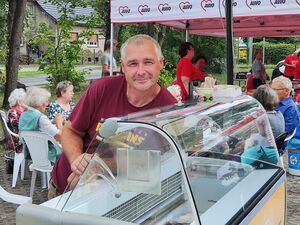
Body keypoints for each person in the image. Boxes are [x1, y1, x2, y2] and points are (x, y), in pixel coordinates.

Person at [49, 34, 177, 198]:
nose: (140, 71)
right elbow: (71, 130)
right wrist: (78, 162)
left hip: (113, 198)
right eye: (132, 64)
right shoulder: (101, 89)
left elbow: (156, 163)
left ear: (161, 63)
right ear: (123, 66)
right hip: (65, 189)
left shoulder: (170, 110)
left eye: (148, 62)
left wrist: (96, 167)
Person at [19, 87, 63, 164]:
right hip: (48, 155)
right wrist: (59, 123)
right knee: (73, 151)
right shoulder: (41, 118)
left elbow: (36, 127)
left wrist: (52, 121)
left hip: (32, 153)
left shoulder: (23, 115)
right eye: (46, 101)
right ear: (39, 102)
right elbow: (60, 137)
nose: (47, 104)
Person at [7, 89, 27, 153]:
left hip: (26, 140)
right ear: (19, 102)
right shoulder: (13, 113)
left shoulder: (17, 112)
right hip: (22, 144)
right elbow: (20, 127)